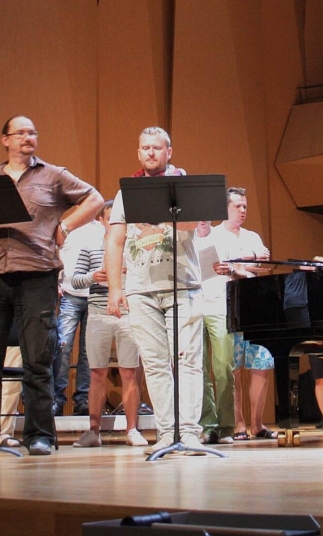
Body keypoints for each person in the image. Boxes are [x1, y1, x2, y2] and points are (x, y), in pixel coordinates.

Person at [0, 116, 104, 456]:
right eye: (21, 132)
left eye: (32, 132)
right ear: (5, 139)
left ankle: (39, 435)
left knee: (38, 359)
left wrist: (66, 226)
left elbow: (94, 198)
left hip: (36, 274)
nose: (28, 137)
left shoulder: (53, 175)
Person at [105, 127, 206, 454]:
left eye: (157, 148)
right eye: (145, 148)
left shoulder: (182, 183)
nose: (151, 152)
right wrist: (115, 288)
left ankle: (188, 432)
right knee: (155, 364)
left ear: (168, 152)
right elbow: (115, 241)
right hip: (140, 288)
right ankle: (166, 433)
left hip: (182, 285)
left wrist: (162, 211)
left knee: (188, 360)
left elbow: (191, 224)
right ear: (138, 153)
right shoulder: (126, 193)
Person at [194, 187, 272, 443]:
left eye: (245, 206)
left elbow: (257, 264)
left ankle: (230, 425)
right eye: (238, 206)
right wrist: (246, 262)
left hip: (232, 306)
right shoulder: (200, 236)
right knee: (203, 370)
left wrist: (234, 267)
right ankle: (210, 425)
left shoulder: (239, 237)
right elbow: (209, 268)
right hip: (203, 305)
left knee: (226, 368)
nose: (242, 210)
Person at [70, 202, 147, 448]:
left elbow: (145, 276)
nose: (114, 222)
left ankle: (132, 429)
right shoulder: (91, 246)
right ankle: (93, 431)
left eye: (118, 218)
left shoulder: (133, 246)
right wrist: (93, 276)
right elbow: (74, 280)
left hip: (127, 313)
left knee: (129, 371)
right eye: (109, 218)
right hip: (98, 312)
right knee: (96, 372)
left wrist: (128, 273)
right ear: (101, 221)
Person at [53, 208, 96, 418]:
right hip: (69, 294)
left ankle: (83, 399)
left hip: (95, 295)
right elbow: (54, 254)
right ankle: (57, 398)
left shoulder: (100, 229)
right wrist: (56, 281)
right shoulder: (66, 227)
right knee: (63, 346)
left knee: (88, 352)